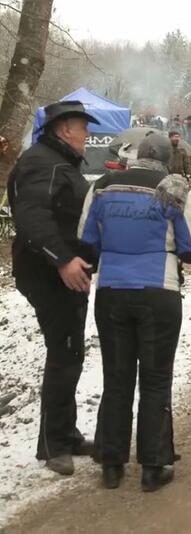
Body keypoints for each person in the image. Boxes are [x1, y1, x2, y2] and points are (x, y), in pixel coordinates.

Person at [78, 133, 191, 491]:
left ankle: (111, 464)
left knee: (116, 377)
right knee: (155, 379)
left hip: (112, 292)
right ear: (167, 159)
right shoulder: (174, 189)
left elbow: (87, 240)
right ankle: (153, 466)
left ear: (134, 156)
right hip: (158, 291)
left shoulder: (102, 185)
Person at [7, 101, 99, 475]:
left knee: (71, 351)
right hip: (48, 274)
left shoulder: (56, 161)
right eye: (83, 129)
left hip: (63, 273)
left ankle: (65, 432)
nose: (88, 136)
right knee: (63, 353)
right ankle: (53, 445)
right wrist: (63, 260)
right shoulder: (41, 162)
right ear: (64, 129)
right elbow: (31, 218)